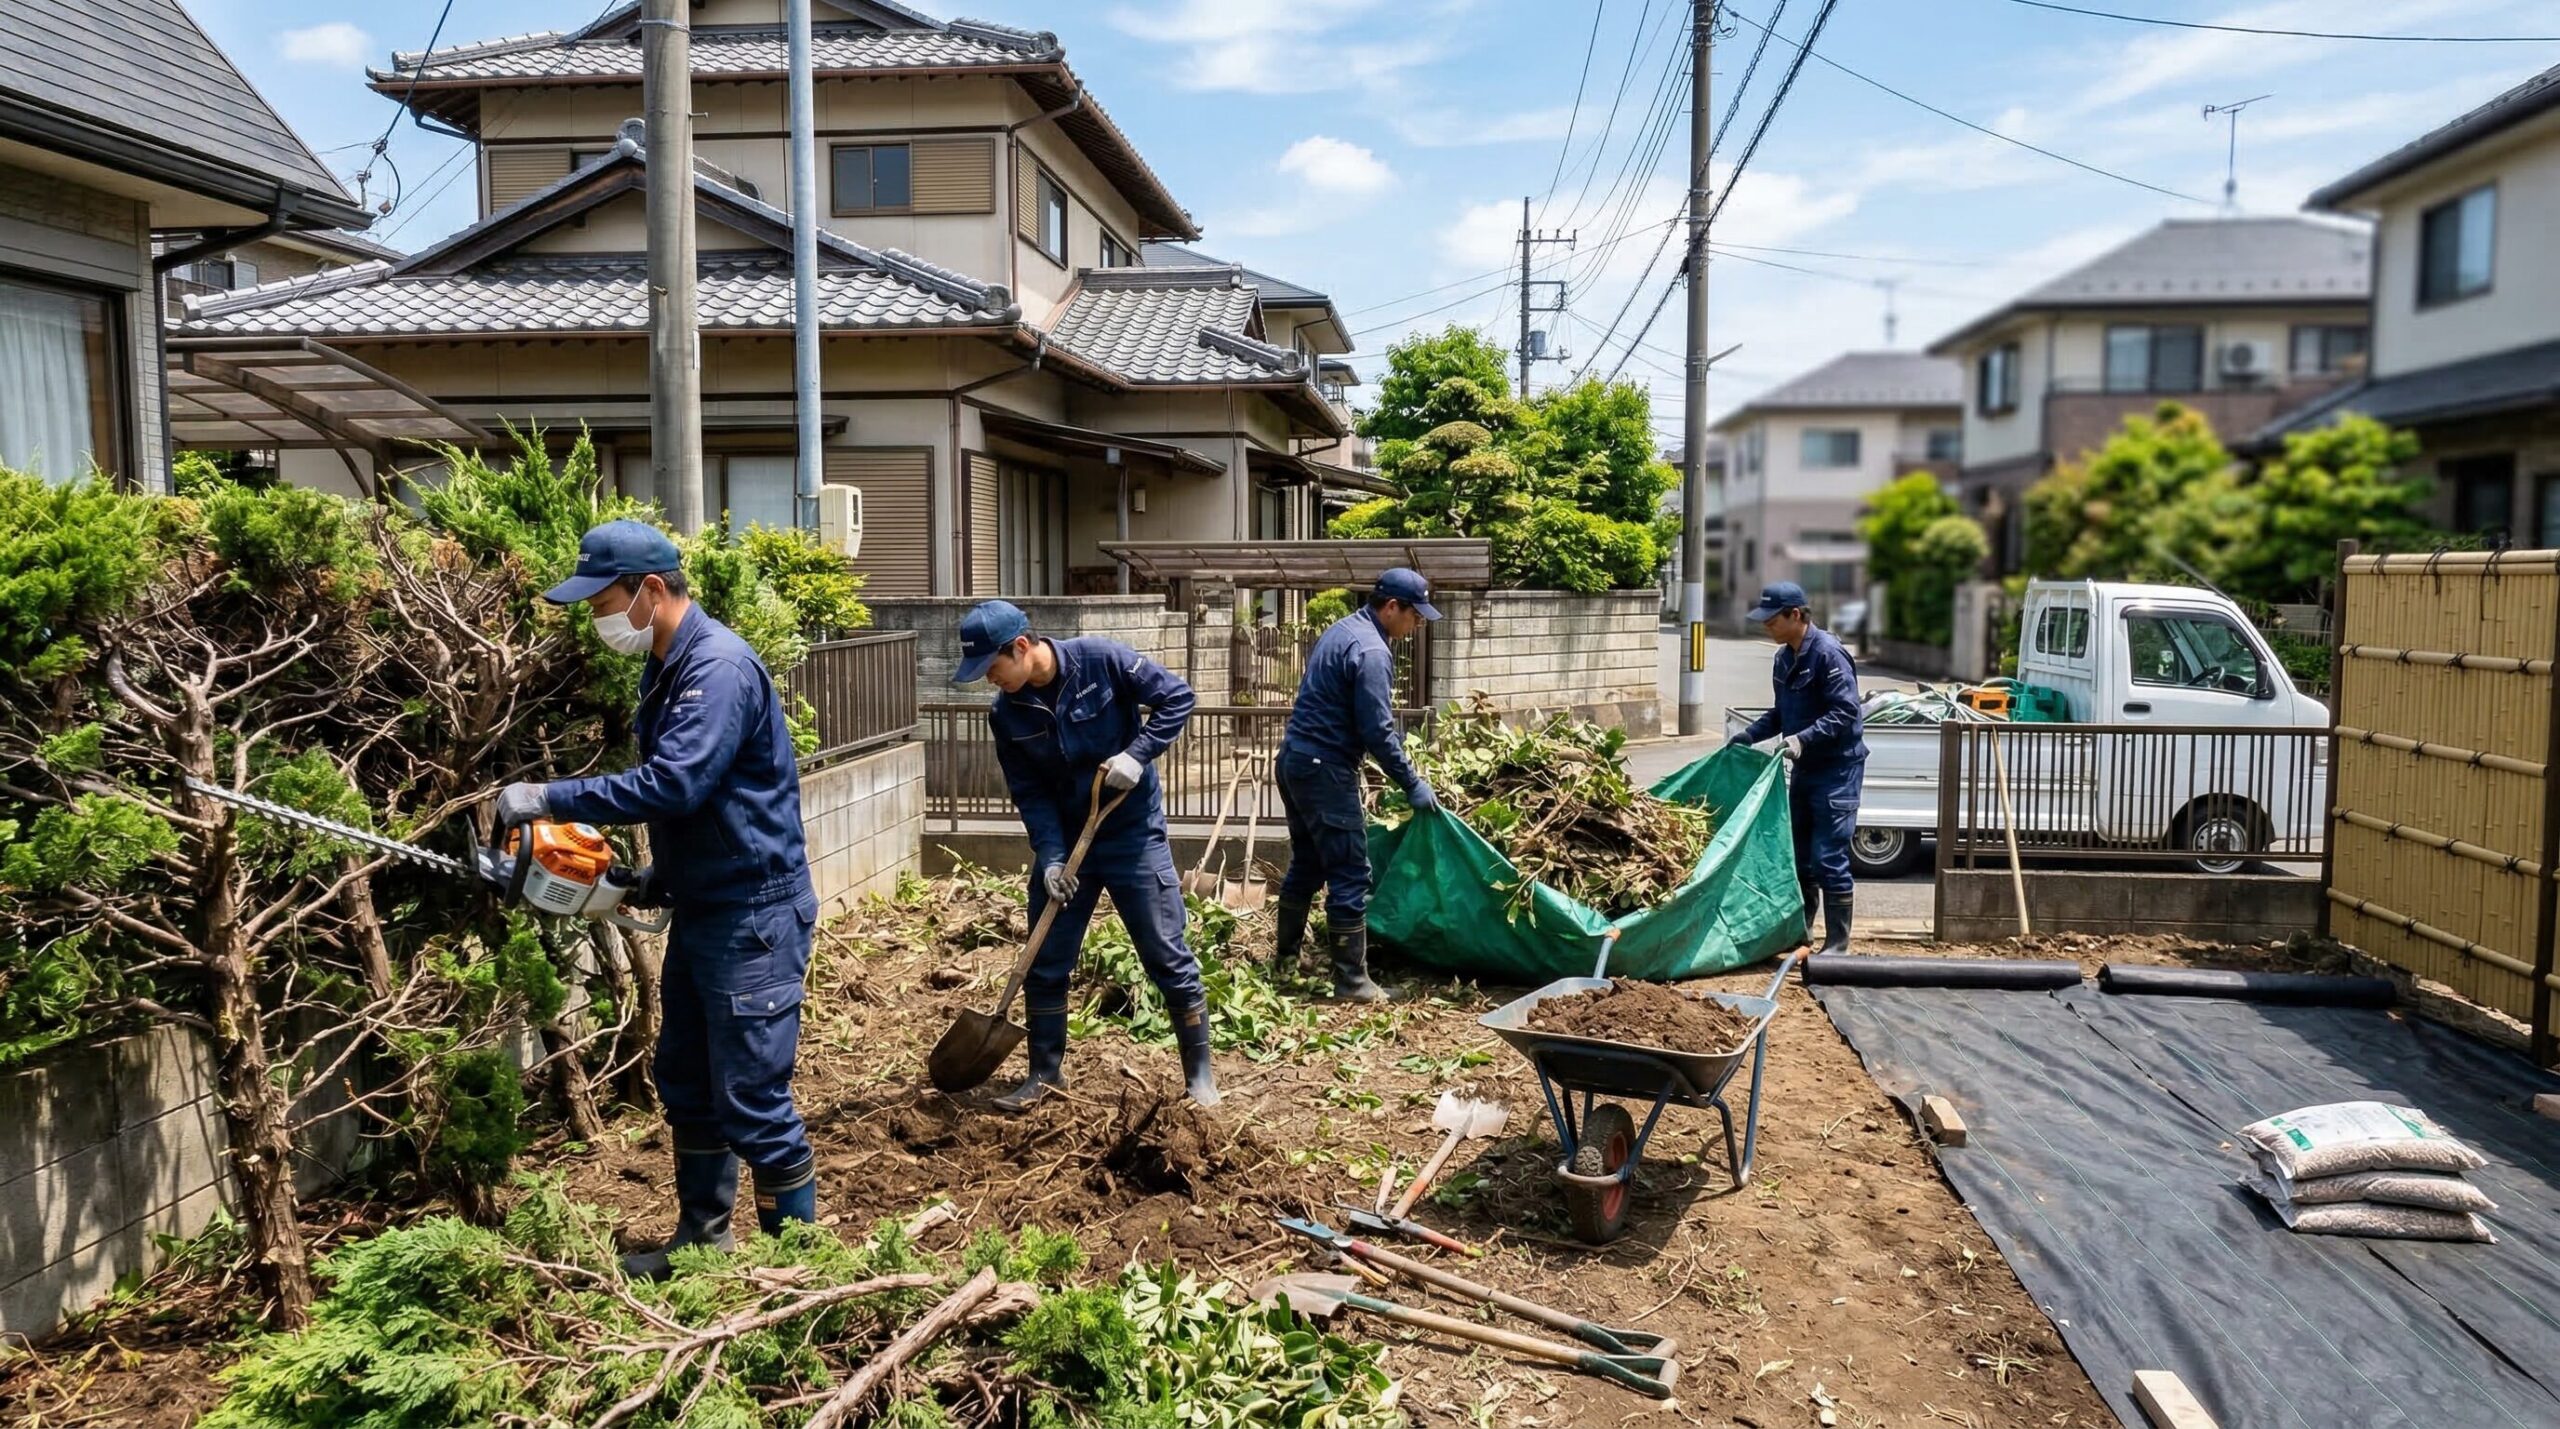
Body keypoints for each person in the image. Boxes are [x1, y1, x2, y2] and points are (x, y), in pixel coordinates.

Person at [493, 520, 820, 1277]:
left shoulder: (720, 668)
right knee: (689, 1081)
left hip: (754, 915)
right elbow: (701, 804)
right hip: (708, 906)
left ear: (648, 591)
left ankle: (800, 1274)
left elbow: (677, 782)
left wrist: (550, 795)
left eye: (602, 601)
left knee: (753, 1100)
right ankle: (704, 1241)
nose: (597, 619)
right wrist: (652, 881)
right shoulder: (667, 666)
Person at [954, 599, 1218, 1111]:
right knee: (1046, 958)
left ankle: (1200, 1076)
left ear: (1023, 647)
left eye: (993, 667)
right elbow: (1029, 792)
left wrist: (1136, 755)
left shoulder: (1100, 660)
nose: (990, 679)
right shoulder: (1007, 714)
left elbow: (1178, 698)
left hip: (1130, 833)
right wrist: (1051, 857)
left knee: (1166, 955)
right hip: (1068, 842)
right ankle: (1045, 1074)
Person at [1273, 568, 1442, 1001]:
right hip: (1325, 768)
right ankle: (1351, 980)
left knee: (1308, 864)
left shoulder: (1343, 630)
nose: (1417, 625)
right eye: (1414, 616)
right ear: (1391, 608)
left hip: (1295, 759)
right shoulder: (1372, 651)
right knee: (1350, 871)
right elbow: (1377, 730)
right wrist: (1411, 782)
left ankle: (1286, 963)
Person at [1732, 581, 1867, 956]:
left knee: (1828, 856)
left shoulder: (1828, 654)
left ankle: (1837, 945)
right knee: (1801, 856)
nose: (1766, 627)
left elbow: (1846, 712)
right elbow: (1781, 713)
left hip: (1837, 770)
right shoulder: (1784, 658)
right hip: (1805, 768)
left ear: (1796, 615)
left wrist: (1802, 739)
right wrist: (1750, 735)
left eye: (1772, 621)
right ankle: (1802, 932)